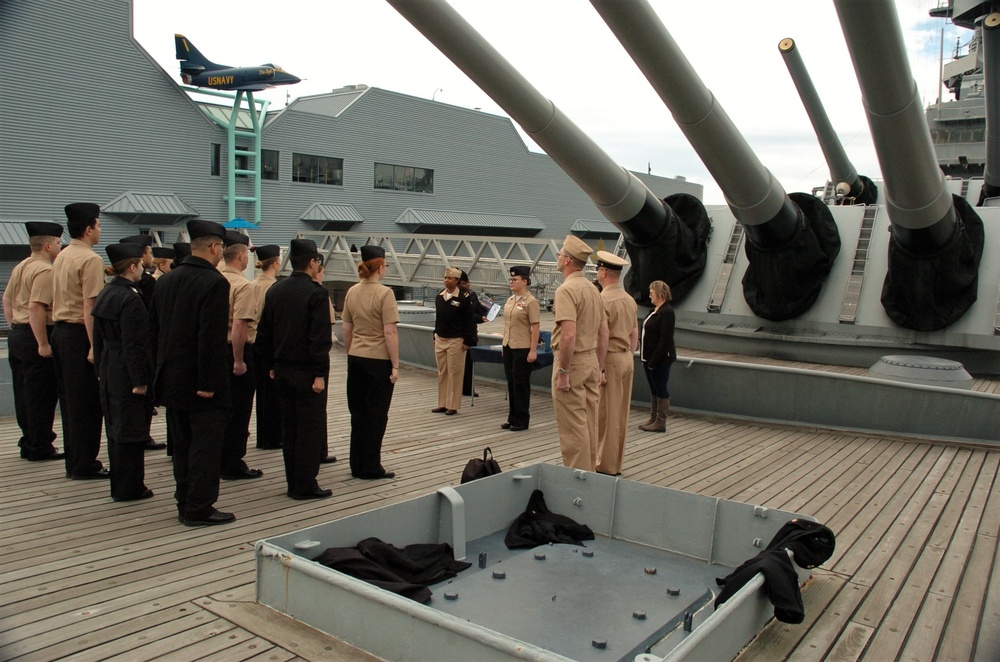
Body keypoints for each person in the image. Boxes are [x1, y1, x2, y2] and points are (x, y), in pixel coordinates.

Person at [150, 219, 234, 526]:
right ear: (213, 247)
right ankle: (199, 506)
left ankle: (183, 499)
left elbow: (155, 331)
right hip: (202, 381)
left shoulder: (165, 281)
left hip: (171, 377)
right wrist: (209, 382)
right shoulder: (214, 283)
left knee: (182, 443)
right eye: (221, 247)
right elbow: (210, 338)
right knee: (205, 445)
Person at [256, 239, 334, 500]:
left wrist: (270, 366)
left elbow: (265, 333)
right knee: (310, 429)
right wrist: (320, 374)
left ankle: (293, 482)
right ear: (312, 263)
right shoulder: (317, 293)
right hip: (307, 373)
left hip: (281, 370)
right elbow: (319, 339)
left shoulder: (276, 290)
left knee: (289, 428)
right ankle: (306, 484)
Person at [92, 242, 154, 501]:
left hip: (109, 364)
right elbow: (134, 342)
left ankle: (120, 484)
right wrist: (140, 379)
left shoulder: (107, 293)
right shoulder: (130, 297)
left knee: (115, 427)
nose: (142, 269)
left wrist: (99, 368)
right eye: (140, 264)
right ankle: (130, 487)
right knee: (130, 428)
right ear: (132, 266)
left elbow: (97, 337)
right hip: (127, 368)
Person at [52, 202, 107, 479]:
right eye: (98, 224)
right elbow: (90, 306)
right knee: (87, 403)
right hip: (80, 334)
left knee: (70, 400)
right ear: (88, 229)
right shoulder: (90, 259)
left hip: (61, 332)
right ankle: (85, 463)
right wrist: (95, 345)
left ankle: (75, 460)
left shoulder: (62, 255)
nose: (99, 230)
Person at [3, 221, 63, 461]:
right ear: (48, 246)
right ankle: (40, 445)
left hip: (18, 334)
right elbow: (36, 307)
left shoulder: (22, 266)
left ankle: (28, 440)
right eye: (58, 243)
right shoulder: (44, 270)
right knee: (41, 394)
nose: (60, 246)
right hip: (35, 333)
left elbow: (7, 299)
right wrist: (43, 343)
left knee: (23, 392)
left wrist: (14, 327)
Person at [341, 245, 400, 479]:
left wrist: (351, 353)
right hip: (378, 359)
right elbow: (390, 332)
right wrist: (395, 364)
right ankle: (371, 465)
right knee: (376, 415)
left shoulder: (351, 291)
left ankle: (356, 463)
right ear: (381, 267)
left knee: (358, 413)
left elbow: (346, 328)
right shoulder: (385, 293)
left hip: (356, 356)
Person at [551, 235, 608, 471]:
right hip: (591, 360)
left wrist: (563, 371)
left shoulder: (567, 290)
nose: (559, 258)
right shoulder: (593, 290)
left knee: (573, 426)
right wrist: (599, 366)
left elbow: (568, 335)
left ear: (567, 261)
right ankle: (590, 471)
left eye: (560, 254)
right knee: (589, 422)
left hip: (571, 362)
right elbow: (604, 332)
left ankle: (578, 478)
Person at [218, 232, 263, 480]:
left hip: (214, 348)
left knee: (221, 408)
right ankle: (233, 462)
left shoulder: (215, 278)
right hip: (236, 349)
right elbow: (239, 326)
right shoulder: (242, 285)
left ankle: (219, 457)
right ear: (241, 255)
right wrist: (238, 360)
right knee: (239, 409)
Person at [118, 234, 166, 452]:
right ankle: (141, 435)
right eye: (148, 252)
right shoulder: (144, 284)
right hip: (142, 343)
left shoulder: (113, 290)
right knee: (141, 397)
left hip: (117, 354)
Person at [595, 251, 638, 475]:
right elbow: (634, 333)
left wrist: (600, 367)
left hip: (609, 357)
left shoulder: (602, 299)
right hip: (625, 358)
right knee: (621, 414)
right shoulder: (629, 299)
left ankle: (605, 464)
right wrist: (629, 356)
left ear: (603, 272)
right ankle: (616, 462)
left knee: (606, 414)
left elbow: (601, 335)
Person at [248, 244, 281, 450]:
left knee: (260, 391)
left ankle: (263, 435)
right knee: (273, 392)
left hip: (253, 340)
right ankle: (273, 436)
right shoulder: (273, 287)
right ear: (276, 263)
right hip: (270, 340)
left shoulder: (252, 284)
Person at [432, 267, 477, 415]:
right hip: (441, 338)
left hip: (456, 339)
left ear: (457, 281)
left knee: (455, 373)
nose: (446, 280)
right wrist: (435, 334)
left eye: (449, 278)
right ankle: (442, 403)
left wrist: (468, 341)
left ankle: (453, 404)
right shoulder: (440, 296)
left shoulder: (463, 298)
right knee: (442, 372)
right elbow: (439, 318)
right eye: (445, 278)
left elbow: (469, 321)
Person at [500, 265, 540, 432]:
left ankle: (522, 419)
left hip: (522, 347)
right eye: (511, 279)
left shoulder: (530, 302)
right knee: (511, 383)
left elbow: (535, 327)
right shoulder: (510, 300)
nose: (512, 282)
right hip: (509, 345)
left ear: (524, 281)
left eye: (515, 280)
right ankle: (512, 416)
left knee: (521, 384)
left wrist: (532, 350)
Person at [638, 280, 676, 433]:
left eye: (652, 293)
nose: (650, 296)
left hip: (659, 359)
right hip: (648, 358)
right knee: (653, 387)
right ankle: (653, 418)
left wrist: (654, 360)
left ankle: (660, 421)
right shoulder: (654, 310)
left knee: (660, 388)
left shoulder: (667, 312)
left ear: (660, 293)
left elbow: (665, 338)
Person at [459, 270, 488, 398]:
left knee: (469, 364)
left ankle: (468, 388)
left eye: (468, 283)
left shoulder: (472, 295)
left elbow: (476, 313)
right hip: (457, 334)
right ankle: (456, 388)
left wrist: (486, 312)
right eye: (464, 283)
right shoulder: (450, 296)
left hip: (470, 334)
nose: (467, 285)